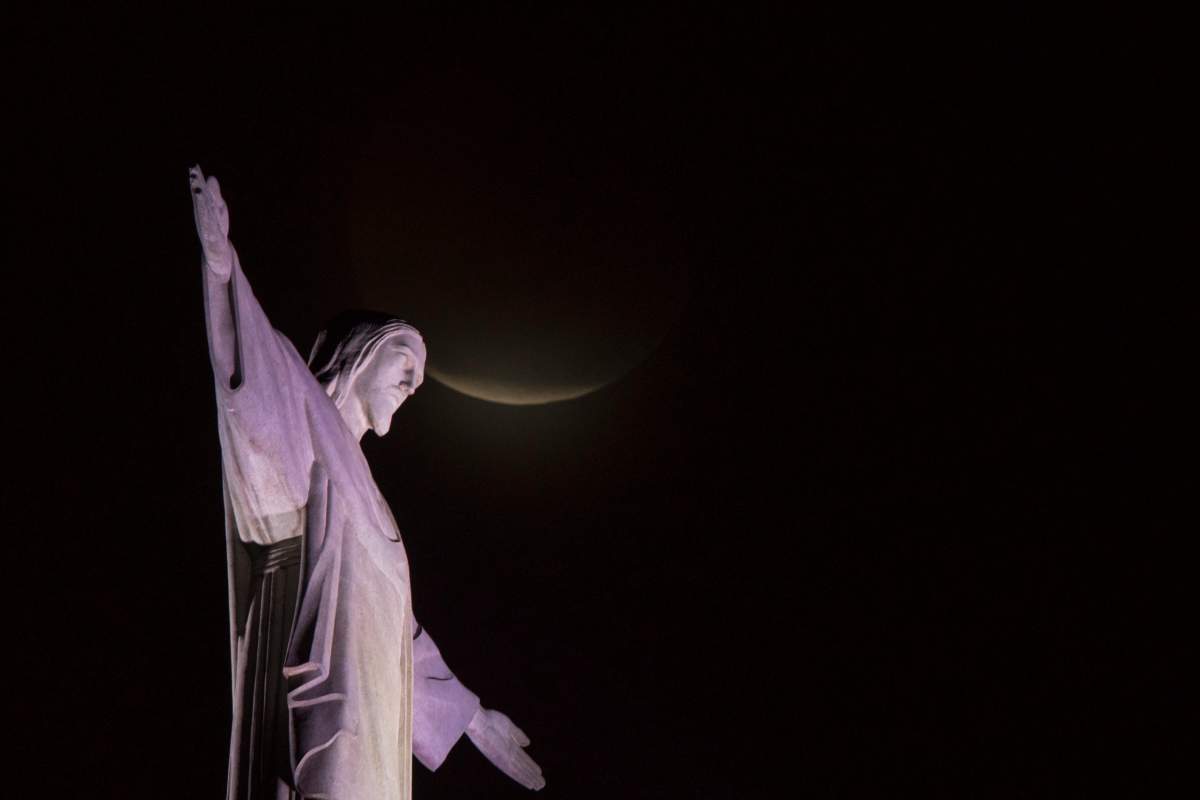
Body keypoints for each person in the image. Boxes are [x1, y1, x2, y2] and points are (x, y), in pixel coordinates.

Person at [190, 166, 545, 800]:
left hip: (372, 729)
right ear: (358, 357)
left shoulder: (374, 502)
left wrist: (469, 717)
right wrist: (222, 272)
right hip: (323, 723)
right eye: (404, 365)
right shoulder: (303, 412)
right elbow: (249, 378)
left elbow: (400, 630)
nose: (413, 387)